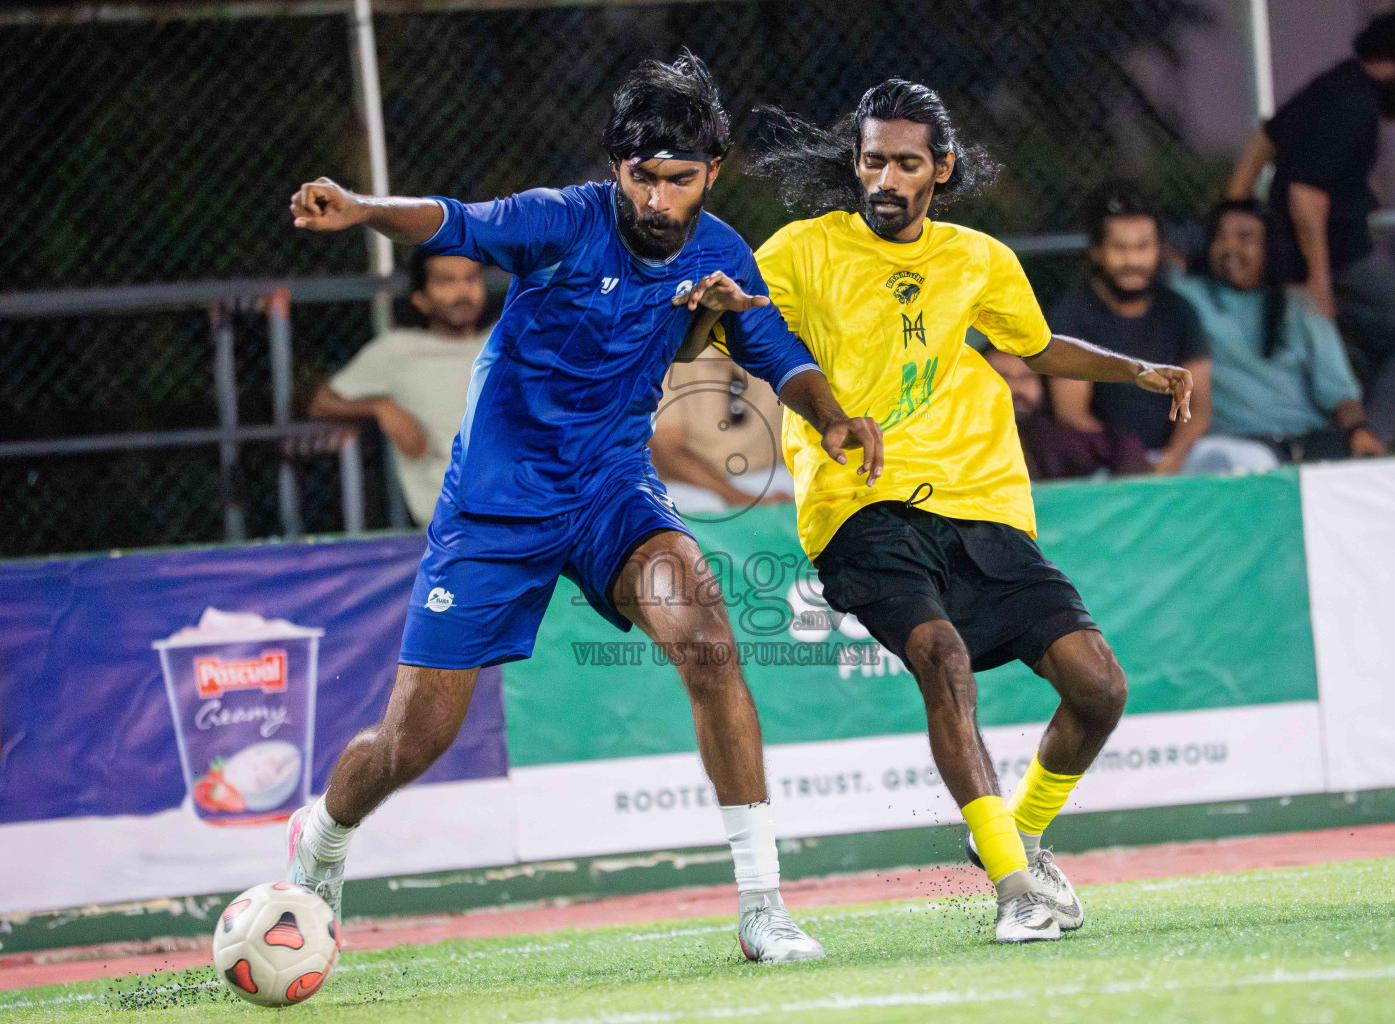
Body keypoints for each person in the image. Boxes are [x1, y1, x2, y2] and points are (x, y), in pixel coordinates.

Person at [283, 51, 884, 964]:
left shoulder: (721, 251)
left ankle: (762, 905)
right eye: (641, 177)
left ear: (709, 174)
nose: (656, 199)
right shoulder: (564, 221)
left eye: (678, 180)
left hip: (611, 489)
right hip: (495, 505)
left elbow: (774, 345)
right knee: (415, 738)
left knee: (708, 638)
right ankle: (320, 839)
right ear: (617, 169)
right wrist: (367, 210)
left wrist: (831, 415)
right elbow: (453, 221)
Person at [717, 80, 1192, 942]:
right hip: (858, 502)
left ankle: (1024, 833)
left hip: (982, 499)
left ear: (942, 168)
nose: (885, 178)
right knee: (942, 657)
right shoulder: (798, 251)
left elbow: (1037, 346)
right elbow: (730, 322)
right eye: (871, 160)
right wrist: (700, 307)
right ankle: (1015, 889)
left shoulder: (978, 258)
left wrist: (1138, 371)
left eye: (905, 162)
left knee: (1100, 687)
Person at [1226, 8, 1395, 452]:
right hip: (1341, 255)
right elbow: (1307, 200)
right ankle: (1371, 442)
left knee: (1378, 352)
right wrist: (1319, 280)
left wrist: (1232, 206)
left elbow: (1264, 141)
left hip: (1305, 251)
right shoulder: (1355, 106)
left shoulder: (1332, 83)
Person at [1171, 200, 1386, 472]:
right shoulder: (1187, 297)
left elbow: (1339, 390)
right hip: (1239, 449)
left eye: (1245, 238)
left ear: (1269, 248)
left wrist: (1359, 432)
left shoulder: (1298, 306)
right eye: (1220, 238)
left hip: (1308, 442)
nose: (1229, 248)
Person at [308, 251, 492, 525]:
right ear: (421, 298)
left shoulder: (509, 340)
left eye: (471, 278)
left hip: (534, 506)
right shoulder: (397, 350)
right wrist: (379, 407)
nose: (463, 291)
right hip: (457, 520)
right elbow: (319, 403)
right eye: (446, 281)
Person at [1047, 181, 1214, 474]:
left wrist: (1173, 458)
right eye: (1120, 248)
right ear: (1097, 251)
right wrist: (1129, 458)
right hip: (1102, 459)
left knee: (1235, 460)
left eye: (1142, 247)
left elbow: (1199, 408)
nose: (1132, 260)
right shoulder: (1071, 315)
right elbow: (1072, 415)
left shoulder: (1179, 311)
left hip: (1174, 457)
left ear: (1159, 249)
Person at [649, 349, 794, 513]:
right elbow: (669, 456)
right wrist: (741, 498)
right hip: (699, 486)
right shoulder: (667, 360)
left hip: (778, 476)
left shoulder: (786, 349)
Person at [984, 348, 1150, 480]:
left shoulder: (1062, 440)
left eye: (1026, 376)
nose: (1016, 387)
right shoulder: (962, 442)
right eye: (1001, 376)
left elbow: (1126, 451)